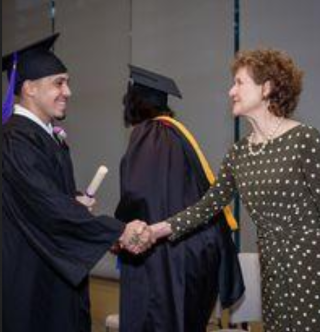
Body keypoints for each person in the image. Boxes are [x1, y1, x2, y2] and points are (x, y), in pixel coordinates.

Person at [150, 49, 320, 332]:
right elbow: (206, 207)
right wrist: (156, 230)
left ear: (266, 88)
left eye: (240, 82)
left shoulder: (305, 140)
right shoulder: (239, 153)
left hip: (311, 265)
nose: (231, 91)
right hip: (273, 270)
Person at [2, 34, 152, 332]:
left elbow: (40, 196)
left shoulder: (44, 135)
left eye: (67, 82)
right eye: (58, 82)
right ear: (29, 88)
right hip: (31, 274)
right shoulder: (15, 139)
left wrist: (72, 200)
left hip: (53, 270)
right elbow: (44, 204)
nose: (68, 91)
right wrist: (117, 231)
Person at [114, 65, 244, 332]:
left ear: (134, 102)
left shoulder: (149, 133)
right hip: (198, 254)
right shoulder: (176, 133)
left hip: (167, 259)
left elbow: (137, 193)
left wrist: (121, 228)